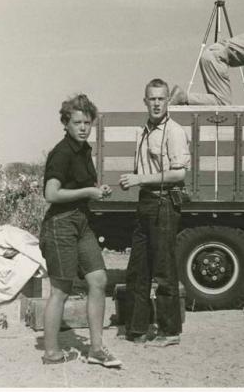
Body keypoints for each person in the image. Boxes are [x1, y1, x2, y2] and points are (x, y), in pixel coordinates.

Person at [39, 94, 121, 367]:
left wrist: (99, 190)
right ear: (66, 123)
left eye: (87, 122)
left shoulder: (85, 150)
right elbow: (51, 193)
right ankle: (51, 353)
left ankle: (96, 349)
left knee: (98, 280)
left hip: (82, 221)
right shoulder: (62, 153)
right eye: (77, 122)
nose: (83, 127)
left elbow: (83, 185)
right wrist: (88, 191)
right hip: (60, 223)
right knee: (61, 290)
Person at [119, 78, 190, 347]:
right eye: (152, 98)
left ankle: (170, 331)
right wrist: (134, 181)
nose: (157, 103)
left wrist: (140, 179)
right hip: (145, 202)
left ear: (167, 101)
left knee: (163, 269)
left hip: (164, 203)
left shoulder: (174, 131)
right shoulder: (142, 131)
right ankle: (137, 329)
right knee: (138, 268)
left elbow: (179, 173)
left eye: (161, 98)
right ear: (145, 101)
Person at [170, 20, 244, 106]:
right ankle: (183, 97)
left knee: (217, 99)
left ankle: (182, 98)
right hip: (217, 58)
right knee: (223, 103)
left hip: (210, 55)